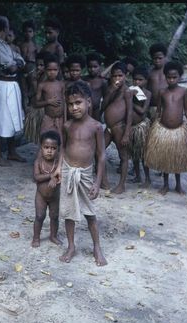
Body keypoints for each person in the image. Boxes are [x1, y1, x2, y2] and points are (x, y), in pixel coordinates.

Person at [53, 81, 107, 266]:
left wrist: (97, 182)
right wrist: (59, 168)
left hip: (84, 174)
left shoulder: (96, 127)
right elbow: (63, 148)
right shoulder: (67, 126)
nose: (74, 107)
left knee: (89, 213)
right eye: (70, 104)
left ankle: (97, 247)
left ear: (89, 102)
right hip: (68, 171)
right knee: (69, 212)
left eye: (78, 103)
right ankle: (71, 246)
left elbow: (101, 156)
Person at [144, 61, 187, 195]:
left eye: (174, 77)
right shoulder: (162, 92)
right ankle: (166, 185)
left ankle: (178, 185)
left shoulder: (183, 91)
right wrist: (154, 125)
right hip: (163, 129)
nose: (171, 80)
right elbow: (158, 111)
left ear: (179, 77)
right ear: (165, 77)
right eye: (169, 77)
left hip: (179, 129)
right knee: (165, 158)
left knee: (177, 158)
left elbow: (186, 109)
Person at [0, 15, 26, 166]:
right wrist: (16, 64)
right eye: (8, 26)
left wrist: (16, 63)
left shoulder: (5, 44)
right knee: (1, 119)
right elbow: (11, 67)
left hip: (11, 84)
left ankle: (12, 152)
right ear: (4, 28)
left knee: (13, 118)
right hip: (1, 85)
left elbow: (20, 60)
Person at [100, 61, 133, 193]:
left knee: (123, 156)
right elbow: (103, 107)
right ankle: (104, 180)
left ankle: (121, 185)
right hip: (108, 128)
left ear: (126, 76)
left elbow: (129, 113)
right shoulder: (110, 89)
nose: (117, 79)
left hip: (120, 128)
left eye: (120, 76)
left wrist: (126, 133)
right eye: (114, 76)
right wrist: (111, 91)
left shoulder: (127, 91)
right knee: (99, 151)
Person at [32, 130, 62, 247]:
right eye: (46, 147)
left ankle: (53, 236)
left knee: (54, 217)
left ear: (58, 149)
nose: (49, 151)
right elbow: (36, 177)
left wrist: (56, 178)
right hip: (41, 196)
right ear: (41, 148)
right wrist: (50, 176)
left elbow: (61, 175)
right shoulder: (38, 162)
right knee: (39, 216)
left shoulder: (59, 163)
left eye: (53, 148)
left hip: (55, 196)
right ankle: (36, 237)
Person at [129, 66, 152, 186]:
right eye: (135, 80)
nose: (137, 82)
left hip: (141, 126)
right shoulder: (130, 91)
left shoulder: (147, 93)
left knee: (143, 154)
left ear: (146, 81)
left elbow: (143, 111)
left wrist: (131, 101)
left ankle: (147, 178)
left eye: (140, 80)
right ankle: (138, 176)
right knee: (134, 154)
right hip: (132, 127)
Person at [35, 54, 65, 139]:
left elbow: (64, 102)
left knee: (61, 141)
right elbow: (36, 104)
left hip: (60, 119)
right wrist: (48, 102)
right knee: (45, 139)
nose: (52, 72)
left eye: (55, 70)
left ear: (58, 70)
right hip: (48, 118)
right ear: (45, 70)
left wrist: (65, 120)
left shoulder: (61, 84)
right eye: (49, 70)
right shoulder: (42, 85)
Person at [24, 51, 48, 144]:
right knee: (38, 138)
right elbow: (30, 94)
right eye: (37, 65)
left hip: (44, 110)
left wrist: (34, 82)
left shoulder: (47, 78)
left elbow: (37, 93)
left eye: (42, 65)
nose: (38, 67)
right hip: (35, 109)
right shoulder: (35, 75)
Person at [20, 20, 40, 106]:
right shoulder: (20, 45)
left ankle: (33, 108)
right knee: (24, 92)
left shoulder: (36, 46)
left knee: (34, 90)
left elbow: (39, 59)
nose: (28, 33)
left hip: (32, 69)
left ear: (34, 33)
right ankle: (25, 111)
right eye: (25, 31)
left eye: (30, 31)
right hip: (22, 70)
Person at [147, 43, 168, 122]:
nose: (157, 61)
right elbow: (145, 90)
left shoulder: (169, 73)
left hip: (167, 106)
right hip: (152, 107)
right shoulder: (149, 73)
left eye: (160, 58)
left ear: (165, 57)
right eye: (155, 58)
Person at [84, 52, 108, 121]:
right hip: (83, 110)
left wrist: (102, 112)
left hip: (96, 112)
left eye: (95, 67)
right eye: (89, 67)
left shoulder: (103, 82)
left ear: (100, 66)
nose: (92, 69)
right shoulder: (83, 79)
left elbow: (105, 99)